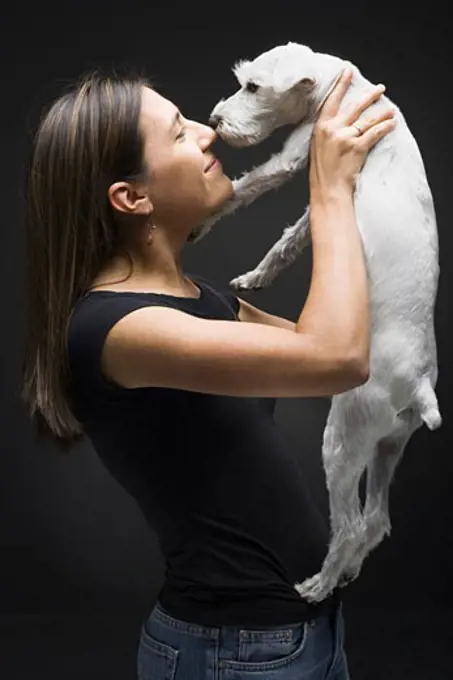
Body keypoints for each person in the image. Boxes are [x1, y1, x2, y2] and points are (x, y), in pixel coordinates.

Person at [20, 65, 395, 679]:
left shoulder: (205, 299)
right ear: (131, 197)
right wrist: (328, 189)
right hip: (237, 654)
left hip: (302, 637)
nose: (206, 133)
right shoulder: (116, 328)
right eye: (177, 134)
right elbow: (336, 357)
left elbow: (347, 352)